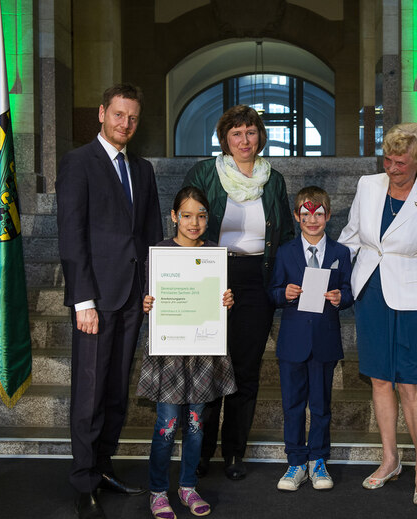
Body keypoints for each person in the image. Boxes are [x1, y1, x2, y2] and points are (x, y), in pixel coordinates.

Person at [57, 83, 163, 519]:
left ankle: (103, 468)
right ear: (102, 113)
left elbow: (153, 233)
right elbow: (72, 236)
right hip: (96, 300)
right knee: (90, 394)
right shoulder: (78, 163)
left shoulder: (142, 169)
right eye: (118, 115)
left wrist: (158, 286)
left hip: (133, 297)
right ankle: (83, 483)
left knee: (117, 390)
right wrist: (82, 300)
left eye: (133, 118)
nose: (125, 124)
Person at [338, 122, 417, 506]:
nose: (392, 167)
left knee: (409, 383)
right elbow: (351, 237)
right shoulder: (368, 187)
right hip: (370, 292)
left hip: (415, 299)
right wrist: (324, 276)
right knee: (379, 380)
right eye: (387, 159)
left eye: (401, 162)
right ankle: (389, 459)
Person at [182, 105, 294, 481]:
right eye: (236, 134)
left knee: (246, 370)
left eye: (251, 132)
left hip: (257, 280)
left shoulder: (273, 180)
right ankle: (199, 453)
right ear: (225, 139)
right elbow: (186, 220)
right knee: (209, 365)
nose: (245, 141)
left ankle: (233, 454)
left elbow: (288, 236)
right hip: (210, 276)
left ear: (260, 136)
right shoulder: (205, 173)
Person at [138, 186, 237, 519]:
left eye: (201, 216)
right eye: (187, 215)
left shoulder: (214, 254)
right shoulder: (160, 253)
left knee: (196, 424)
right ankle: (157, 491)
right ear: (174, 217)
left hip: (202, 352)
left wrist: (226, 301)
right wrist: (148, 303)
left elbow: (218, 300)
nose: (194, 222)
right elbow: (150, 297)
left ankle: (188, 486)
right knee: (166, 425)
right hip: (169, 352)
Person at [268, 186, 354, 492]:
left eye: (318, 214)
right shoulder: (286, 252)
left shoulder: (340, 253)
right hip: (293, 340)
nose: (313, 220)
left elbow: (349, 291)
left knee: (320, 404)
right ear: (296, 216)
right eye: (306, 215)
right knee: (292, 404)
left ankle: (318, 458)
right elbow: (274, 291)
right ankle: (295, 461)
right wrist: (284, 294)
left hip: (324, 340)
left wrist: (340, 296)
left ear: (328, 216)